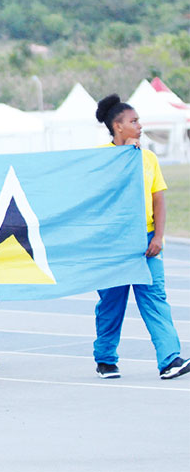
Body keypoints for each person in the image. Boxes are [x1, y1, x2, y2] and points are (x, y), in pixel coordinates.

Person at [92, 94, 189, 380]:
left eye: (138, 120)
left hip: (146, 239)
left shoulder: (148, 157)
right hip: (113, 242)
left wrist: (158, 236)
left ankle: (170, 359)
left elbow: (158, 199)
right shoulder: (101, 158)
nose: (139, 125)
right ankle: (105, 359)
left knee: (155, 298)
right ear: (117, 126)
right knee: (112, 303)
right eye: (133, 121)